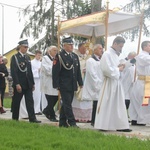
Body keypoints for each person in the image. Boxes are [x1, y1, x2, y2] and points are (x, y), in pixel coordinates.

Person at [94, 36, 132, 132]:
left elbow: (115, 67)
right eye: (120, 46)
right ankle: (103, 125)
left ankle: (121, 125)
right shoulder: (107, 54)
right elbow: (106, 69)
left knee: (119, 105)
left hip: (116, 82)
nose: (121, 48)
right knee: (107, 103)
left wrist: (122, 66)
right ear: (115, 44)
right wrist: (118, 69)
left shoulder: (115, 54)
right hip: (109, 83)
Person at [52, 37, 83, 127]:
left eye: (72, 44)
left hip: (72, 84)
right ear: (64, 45)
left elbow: (77, 71)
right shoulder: (59, 56)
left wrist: (80, 82)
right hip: (64, 84)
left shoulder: (74, 56)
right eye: (69, 45)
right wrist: (56, 85)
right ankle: (72, 122)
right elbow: (55, 72)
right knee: (67, 104)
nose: (71, 46)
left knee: (66, 104)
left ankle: (62, 122)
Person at [10, 39, 41, 123]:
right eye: (25, 47)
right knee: (17, 101)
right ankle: (15, 119)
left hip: (28, 83)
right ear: (20, 47)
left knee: (30, 101)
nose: (26, 48)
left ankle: (32, 118)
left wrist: (32, 83)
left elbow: (29, 71)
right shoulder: (15, 57)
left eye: (27, 47)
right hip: (20, 83)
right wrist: (17, 84)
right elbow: (14, 72)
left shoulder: (27, 57)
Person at [82, 44, 104, 126]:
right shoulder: (90, 61)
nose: (101, 50)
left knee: (100, 103)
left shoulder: (102, 60)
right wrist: (98, 84)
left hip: (102, 83)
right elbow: (92, 74)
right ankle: (94, 120)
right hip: (96, 84)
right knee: (96, 102)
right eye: (99, 48)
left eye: (102, 48)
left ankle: (99, 120)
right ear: (94, 50)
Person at [129, 41, 150, 126]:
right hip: (143, 82)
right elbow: (147, 60)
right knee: (143, 100)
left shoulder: (146, 56)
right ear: (144, 47)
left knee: (145, 101)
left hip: (147, 82)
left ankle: (139, 118)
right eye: (149, 45)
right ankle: (140, 119)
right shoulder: (142, 56)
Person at [72, 43, 92, 122]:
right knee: (77, 99)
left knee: (87, 99)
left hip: (88, 81)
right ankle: (77, 116)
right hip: (79, 80)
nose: (85, 50)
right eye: (83, 48)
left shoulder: (89, 57)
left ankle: (87, 117)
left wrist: (88, 70)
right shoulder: (75, 56)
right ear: (79, 48)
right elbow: (75, 68)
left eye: (86, 48)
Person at [41, 46, 59, 122]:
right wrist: (56, 71)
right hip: (48, 81)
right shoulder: (45, 58)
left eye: (56, 50)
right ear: (49, 51)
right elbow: (47, 70)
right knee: (50, 99)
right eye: (54, 50)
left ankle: (46, 110)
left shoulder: (57, 59)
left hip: (55, 82)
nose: (56, 52)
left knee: (55, 98)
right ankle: (51, 115)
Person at [31, 50, 42, 114]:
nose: (39, 56)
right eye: (38, 55)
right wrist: (37, 70)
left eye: (40, 55)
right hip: (34, 80)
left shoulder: (41, 63)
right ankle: (34, 109)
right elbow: (31, 71)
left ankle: (37, 109)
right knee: (34, 95)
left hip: (39, 80)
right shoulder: (32, 62)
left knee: (39, 95)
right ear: (35, 55)